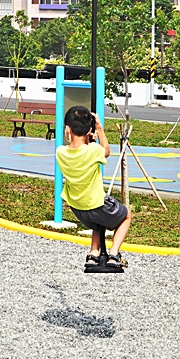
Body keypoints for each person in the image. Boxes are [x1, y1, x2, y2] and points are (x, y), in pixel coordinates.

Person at [56, 105, 132, 271]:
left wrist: (87, 139)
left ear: (67, 129)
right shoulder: (93, 150)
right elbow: (106, 150)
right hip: (96, 204)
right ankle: (113, 254)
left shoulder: (60, 152)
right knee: (126, 216)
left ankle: (94, 254)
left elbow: (77, 149)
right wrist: (100, 129)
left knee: (99, 222)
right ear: (89, 129)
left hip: (78, 208)